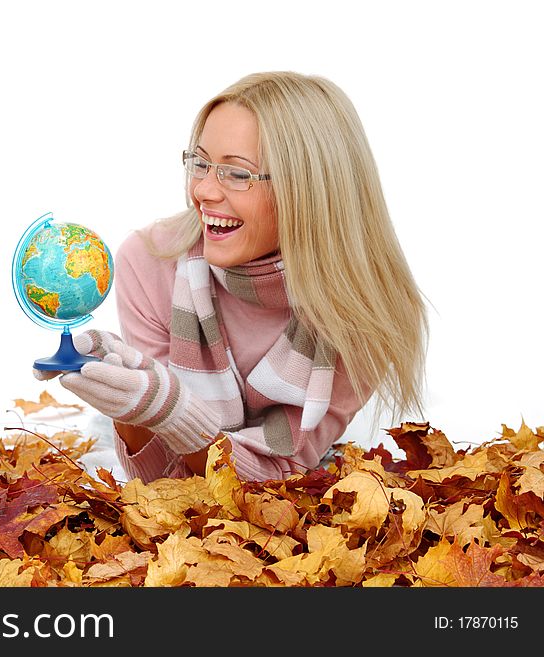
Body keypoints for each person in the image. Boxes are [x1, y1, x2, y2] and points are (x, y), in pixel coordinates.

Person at [37, 71, 430, 484]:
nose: (203, 191)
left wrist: (170, 411)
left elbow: (277, 481)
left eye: (238, 174)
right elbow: (162, 487)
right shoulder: (150, 263)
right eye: (200, 163)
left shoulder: (365, 312)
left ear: (309, 190)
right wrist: (135, 412)